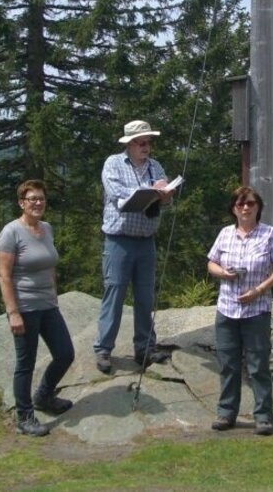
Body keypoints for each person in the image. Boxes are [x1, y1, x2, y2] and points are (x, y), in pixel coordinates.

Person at [94, 119, 176, 373]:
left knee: (145, 296)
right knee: (115, 292)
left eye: (149, 142)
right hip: (119, 239)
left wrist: (165, 195)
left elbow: (164, 203)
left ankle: (145, 348)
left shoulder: (156, 167)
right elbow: (118, 193)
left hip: (146, 241)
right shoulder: (113, 163)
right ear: (129, 144)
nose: (146, 147)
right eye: (141, 142)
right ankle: (104, 348)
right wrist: (149, 189)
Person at [0, 179, 76, 437]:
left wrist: (54, 293)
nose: (38, 203)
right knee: (25, 363)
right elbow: (4, 275)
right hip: (25, 307)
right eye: (32, 199)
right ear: (22, 203)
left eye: (41, 198)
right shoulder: (11, 233)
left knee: (65, 354)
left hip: (48, 304)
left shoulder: (47, 229)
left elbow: (50, 264)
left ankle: (44, 395)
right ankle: (25, 416)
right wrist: (13, 313)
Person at [206, 186, 273, 436]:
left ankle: (263, 416)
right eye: (241, 204)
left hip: (257, 309)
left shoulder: (269, 234)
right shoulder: (225, 234)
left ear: (258, 208)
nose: (245, 208)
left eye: (250, 204)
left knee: (258, 365)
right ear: (233, 208)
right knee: (228, 363)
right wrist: (222, 273)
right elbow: (211, 262)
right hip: (228, 309)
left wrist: (260, 289)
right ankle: (226, 413)